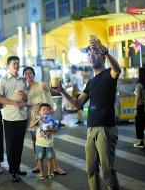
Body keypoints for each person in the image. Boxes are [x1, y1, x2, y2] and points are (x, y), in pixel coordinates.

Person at [53, 37, 121, 190]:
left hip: (106, 128)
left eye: (94, 52)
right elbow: (77, 104)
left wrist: (104, 50)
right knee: (91, 170)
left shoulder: (110, 74)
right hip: (91, 129)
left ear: (103, 57)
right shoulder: (90, 82)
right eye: (89, 54)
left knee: (107, 171)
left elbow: (118, 70)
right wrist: (62, 91)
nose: (91, 55)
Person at [23, 66, 66, 175]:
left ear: (34, 74)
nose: (28, 76)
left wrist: (51, 107)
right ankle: (39, 164)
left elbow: (49, 92)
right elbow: (25, 104)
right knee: (36, 142)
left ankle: (56, 167)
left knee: (48, 142)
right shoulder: (25, 90)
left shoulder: (41, 84)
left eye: (30, 73)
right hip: (33, 118)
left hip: (44, 119)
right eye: (26, 74)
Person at [0, 56, 27, 182]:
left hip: (22, 117)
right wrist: (14, 103)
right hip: (9, 118)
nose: (17, 66)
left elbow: (26, 98)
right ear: (8, 65)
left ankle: (17, 168)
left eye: (18, 64)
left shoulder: (23, 80)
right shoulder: (3, 80)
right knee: (11, 146)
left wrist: (25, 96)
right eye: (14, 63)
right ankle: (13, 171)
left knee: (19, 146)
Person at [29, 103, 58, 180]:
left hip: (49, 144)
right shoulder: (38, 120)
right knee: (40, 158)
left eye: (47, 110)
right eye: (43, 110)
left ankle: (49, 173)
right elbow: (31, 125)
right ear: (39, 112)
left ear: (50, 111)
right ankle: (41, 173)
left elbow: (56, 129)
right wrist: (39, 119)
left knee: (49, 158)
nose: (45, 111)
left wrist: (50, 129)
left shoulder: (52, 120)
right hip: (39, 144)